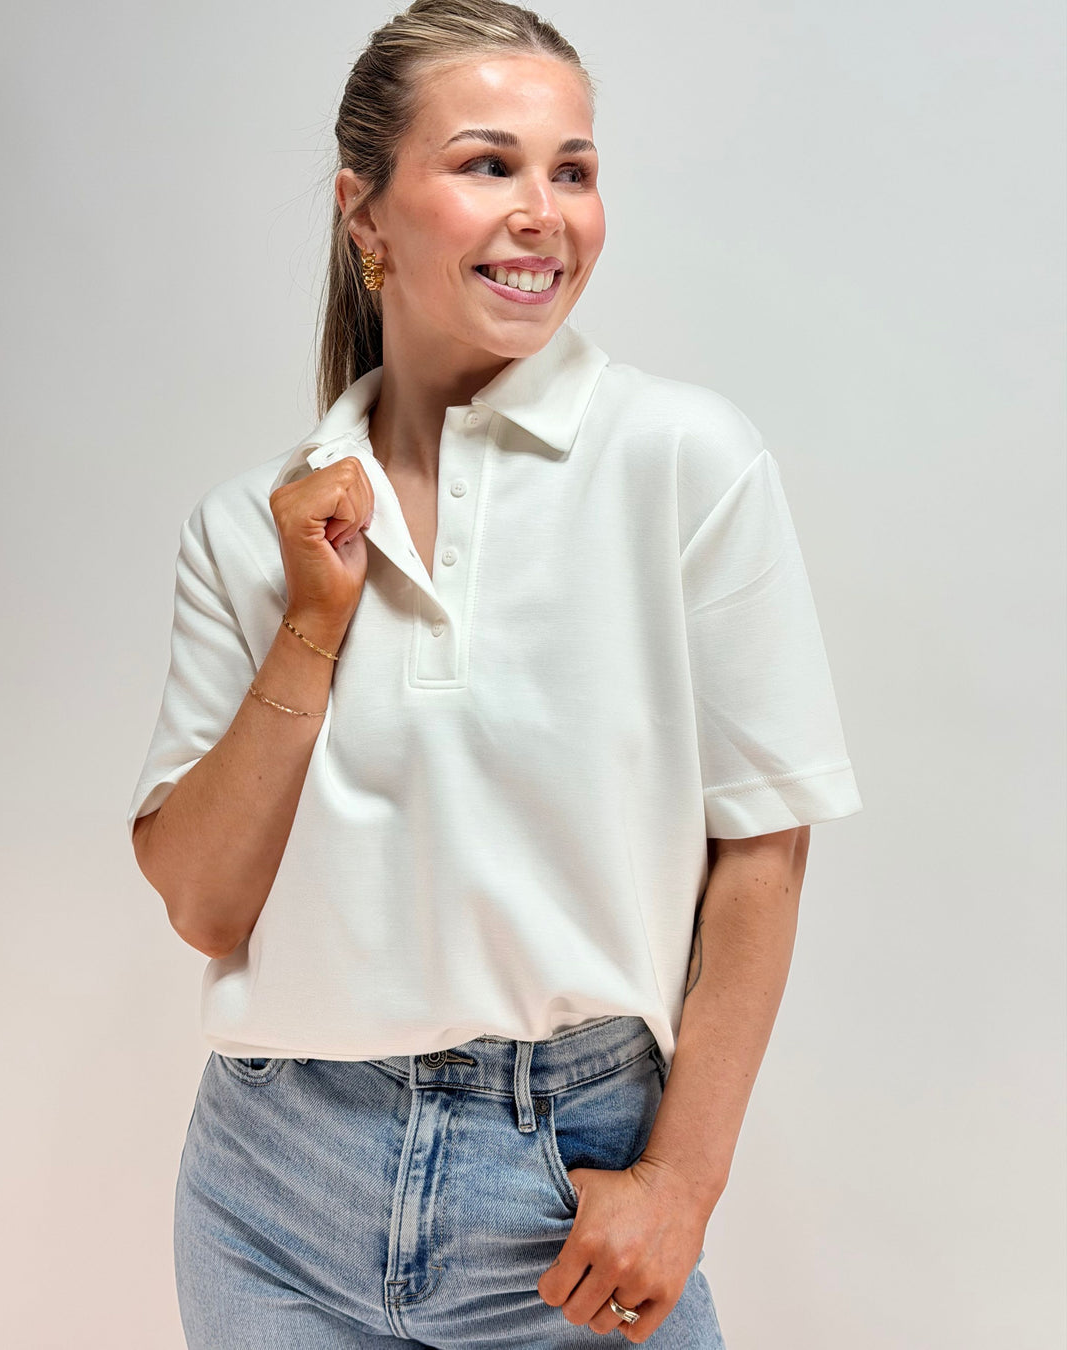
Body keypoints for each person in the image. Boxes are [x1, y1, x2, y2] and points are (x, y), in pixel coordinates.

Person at [126, 1, 863, 1345]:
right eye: (488, 164)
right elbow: (202, 898)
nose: (545, 212)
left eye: (571, 169)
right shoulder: (256, 525)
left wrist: (682, 1183)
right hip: (270, 1196)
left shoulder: (680, 463)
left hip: (567, 1193)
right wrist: (313, 618)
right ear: (367, 217)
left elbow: (763, 849)